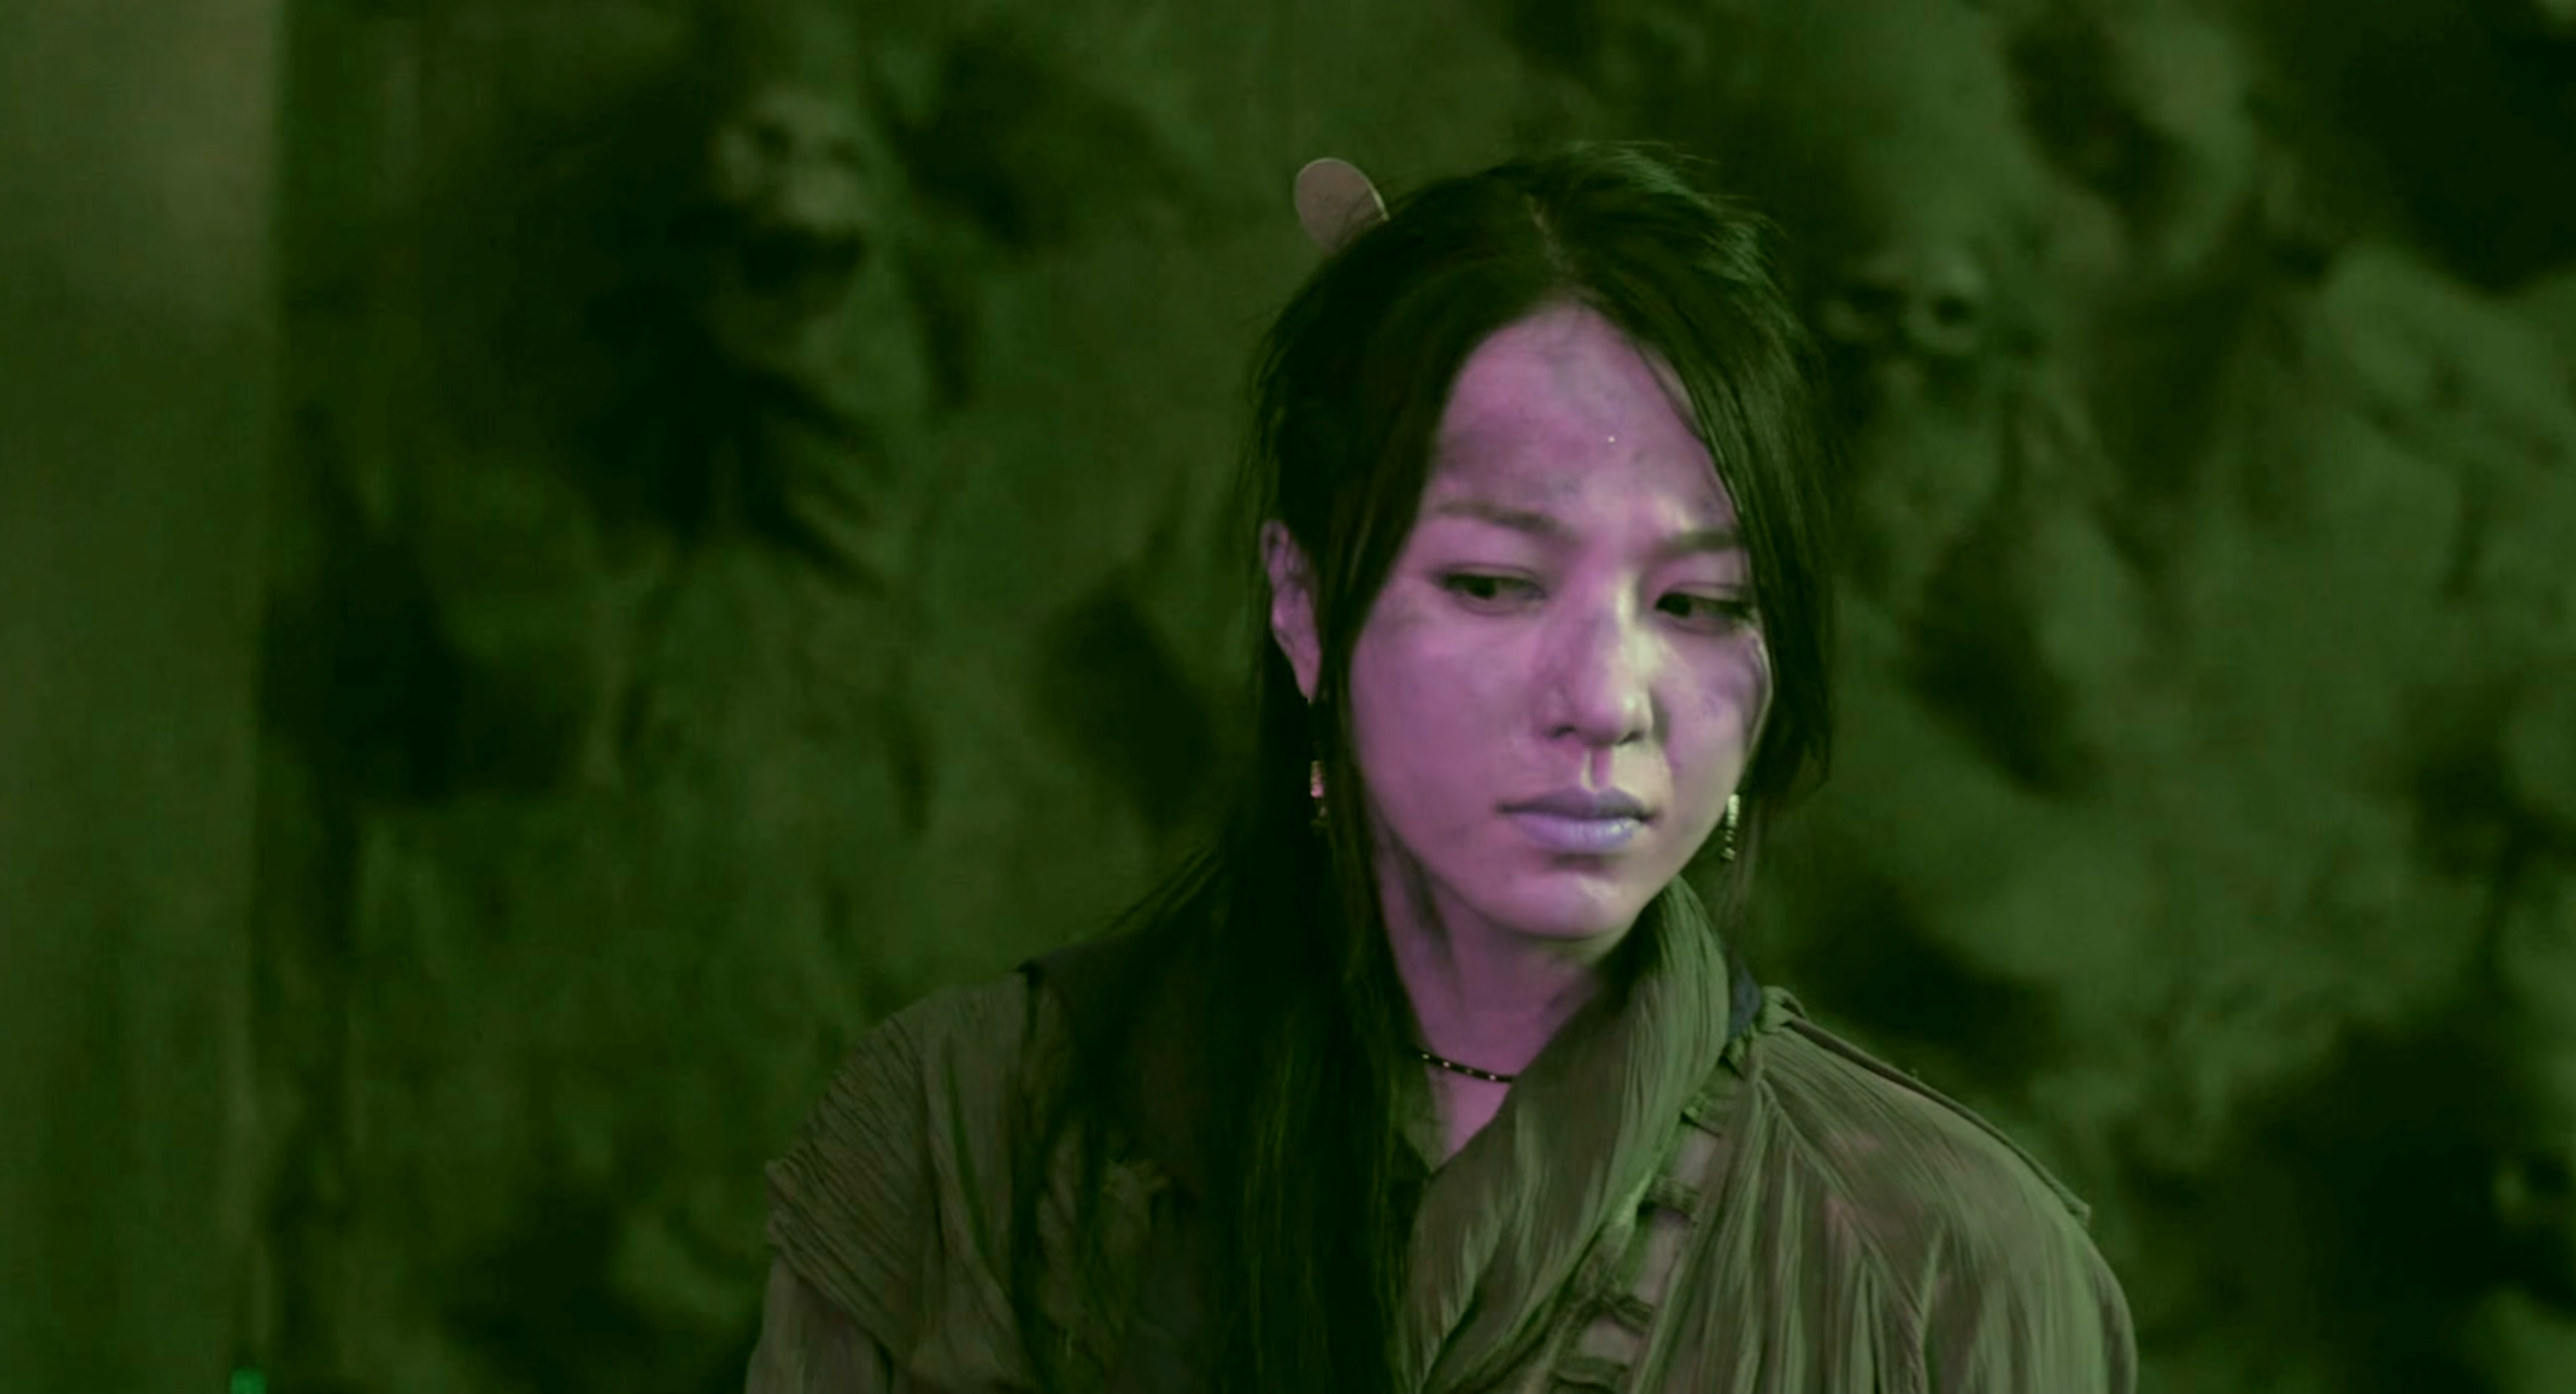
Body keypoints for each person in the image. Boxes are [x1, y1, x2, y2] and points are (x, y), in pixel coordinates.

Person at [742, 140, 2136, 1392]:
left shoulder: (1949, 1274)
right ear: (1303, 605)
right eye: (1493, 583)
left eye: (1698, 603)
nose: (1606, 699)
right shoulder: (962, 1143)